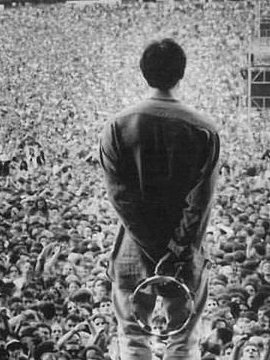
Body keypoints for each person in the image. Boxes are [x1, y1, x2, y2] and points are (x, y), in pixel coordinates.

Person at [99, 38, 220, 360]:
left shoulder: (117, 126)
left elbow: (120, 198)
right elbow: (201, 202)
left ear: (144, 73)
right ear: (181, 73)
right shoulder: (204, 128)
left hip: (131, 250)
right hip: (184, 256)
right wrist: (177, 249)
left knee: (133, 338)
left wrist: (152, 248)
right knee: (183, 339)